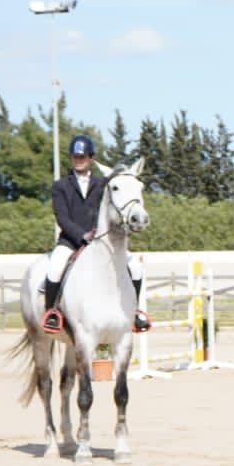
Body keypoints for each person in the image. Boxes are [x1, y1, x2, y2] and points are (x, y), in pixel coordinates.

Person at [41, 134, 148, 336]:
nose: (79, 160)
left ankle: (134, 313)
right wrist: (82, 235)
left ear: (91, 158)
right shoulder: (60, 186)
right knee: (55, 267)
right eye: (75, 156)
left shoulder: (102, 185)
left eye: (83, 156)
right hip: (71, 241)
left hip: (101, 242)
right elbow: (61, 217)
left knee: (135, 267)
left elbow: (111, 211)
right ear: (71, 158)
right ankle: (52, 312)